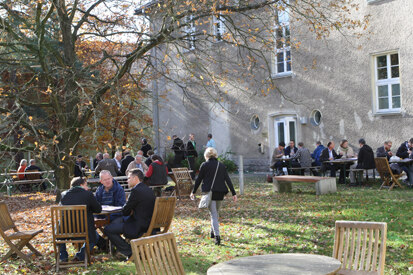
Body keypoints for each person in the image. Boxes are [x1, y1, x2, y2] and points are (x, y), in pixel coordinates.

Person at [104, 169, 155, 260]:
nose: (127, 180)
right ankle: (116, 252)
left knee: (108, 229)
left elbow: (125, 211)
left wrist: (128, 208)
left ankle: (130, 251)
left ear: (135, 178)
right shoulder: (148, 190)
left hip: (139, 225)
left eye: (128, 178)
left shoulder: (136, 191)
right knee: (116, 222)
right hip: (150, 223)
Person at [190, 147, 237, 246]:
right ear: (215, 155)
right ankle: (212, 232)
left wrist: (193, 192)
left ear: (206, 156)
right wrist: (234, 193)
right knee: (216, 213)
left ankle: (217, 236)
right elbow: (227, 179)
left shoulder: (204, 165)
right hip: (220, 192)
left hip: (209, 192)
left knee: (213, 214)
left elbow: (199, 179)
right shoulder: (221, 165)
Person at [59, 177, 102, 262]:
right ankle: (80, 256)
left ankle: (63, 256)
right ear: (81, 185)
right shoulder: (88, 194)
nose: (87, 187)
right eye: (86, 185)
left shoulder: (63, 194)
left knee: (59, 234)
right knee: (93, 237)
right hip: (83, 230)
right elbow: (98, 210)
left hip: (64, 230)